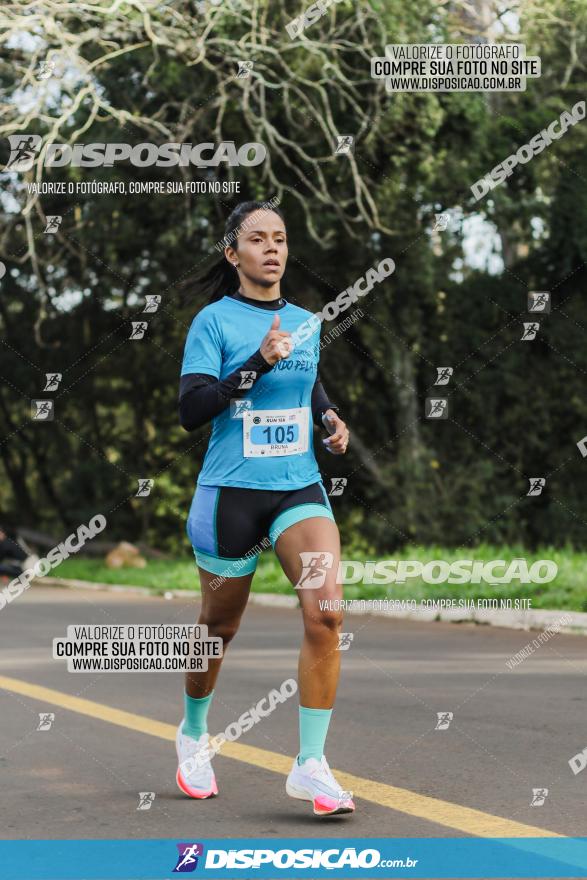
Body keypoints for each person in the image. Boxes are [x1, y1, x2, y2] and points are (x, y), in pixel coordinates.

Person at [176, 200, 354, 817]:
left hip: (297, 490)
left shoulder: (307, 321)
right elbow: (193, 409)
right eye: (258, 239)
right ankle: (194, 734)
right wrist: (256, 363)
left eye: (280, 238)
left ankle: (310, 765)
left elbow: (309, 384)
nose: (272, 248)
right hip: (230, 497)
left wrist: (328, 418)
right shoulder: (214, 322)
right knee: (217, 630)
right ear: (234, 254)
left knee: (325, 611)